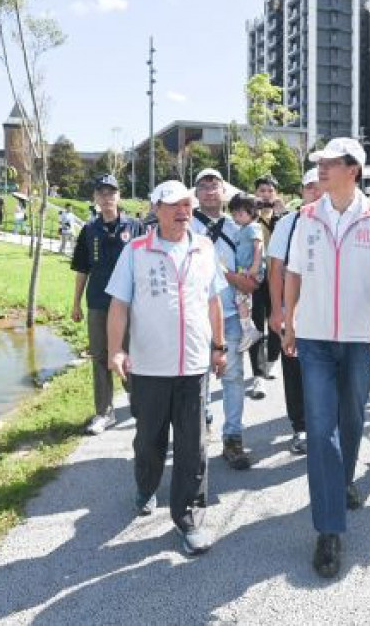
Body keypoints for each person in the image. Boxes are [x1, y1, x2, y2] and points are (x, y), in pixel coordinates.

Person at [282, 137, 370, 579]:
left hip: (359, 340)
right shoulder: (306, 217)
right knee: (320, 428)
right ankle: (329, 529)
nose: (320, 170)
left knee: (351, 420)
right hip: (314, 339)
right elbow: (294, 271)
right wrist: (288, 319)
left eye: (329, 164)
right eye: (319, 164)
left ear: (353, 170)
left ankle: (341, 481)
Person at [105, 179, 228, 556]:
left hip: (193, 367)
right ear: (156, 208)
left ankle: (187, 516)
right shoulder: (136, 250)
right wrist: (115, 351)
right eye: (174, 204)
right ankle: (146, 484)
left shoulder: (204, 248)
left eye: (187, 205)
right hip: (149, 367)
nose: (183, 211)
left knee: (193, 444)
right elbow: (119, 306)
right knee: (149, 440)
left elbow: (213, 303)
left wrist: (219, 347)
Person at [191, 168, 257, 470]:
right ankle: (198, 427)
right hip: (191, 317)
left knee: (232, 378)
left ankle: (233, 437)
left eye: (214, 185)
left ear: (223, 190)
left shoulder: (240, 228)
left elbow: (253, 279)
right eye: (202, 186)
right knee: (194, 378)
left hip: (229, 314)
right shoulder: (184, 224)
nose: (208, 191)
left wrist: (225, 275)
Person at [72, 174, 143, 435]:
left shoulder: (135, 227)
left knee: (132, 353)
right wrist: (76, 303)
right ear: (95, 198)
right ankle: (104, 412)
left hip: (130, 304)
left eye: (111, 192)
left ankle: (140, 404)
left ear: (119, 196)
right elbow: (81, 269)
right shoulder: (89, 230)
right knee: (100, 355)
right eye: (101, 192)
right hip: (99, 302)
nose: (106, 197)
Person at [266, 167, 321, 455]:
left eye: (320, 185)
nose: (316, 192)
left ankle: (325, 426)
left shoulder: (337, 220)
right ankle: (300, 425)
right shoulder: (288, 223)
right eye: (310, 187)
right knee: (294, 370)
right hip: (295, 312)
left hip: (329, 314)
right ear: (302, 192)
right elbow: (275, 270)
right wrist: (277, 311)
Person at [249, 175, 285, 388]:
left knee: (276, 320)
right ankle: (257, 371)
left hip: (278, 276)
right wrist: (252, 211)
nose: (266, 195)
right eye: (262, 190)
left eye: (270, 191)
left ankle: (272, 360)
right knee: (256, 323)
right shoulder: (249, 214)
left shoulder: (283, 217)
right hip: (256, 277)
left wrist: (281, 213)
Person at [227, 192, 265, 361]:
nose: (236, 217)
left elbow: (259, 246)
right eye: (234, 214)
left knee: (241, 299)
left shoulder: (253, 227)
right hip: (245, 269)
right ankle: (249, 328)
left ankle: (250, 330)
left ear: (251, 212)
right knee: (241, 299)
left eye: (240, 214)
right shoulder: (243, 229)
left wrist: (256, 266)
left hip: (251, 270)